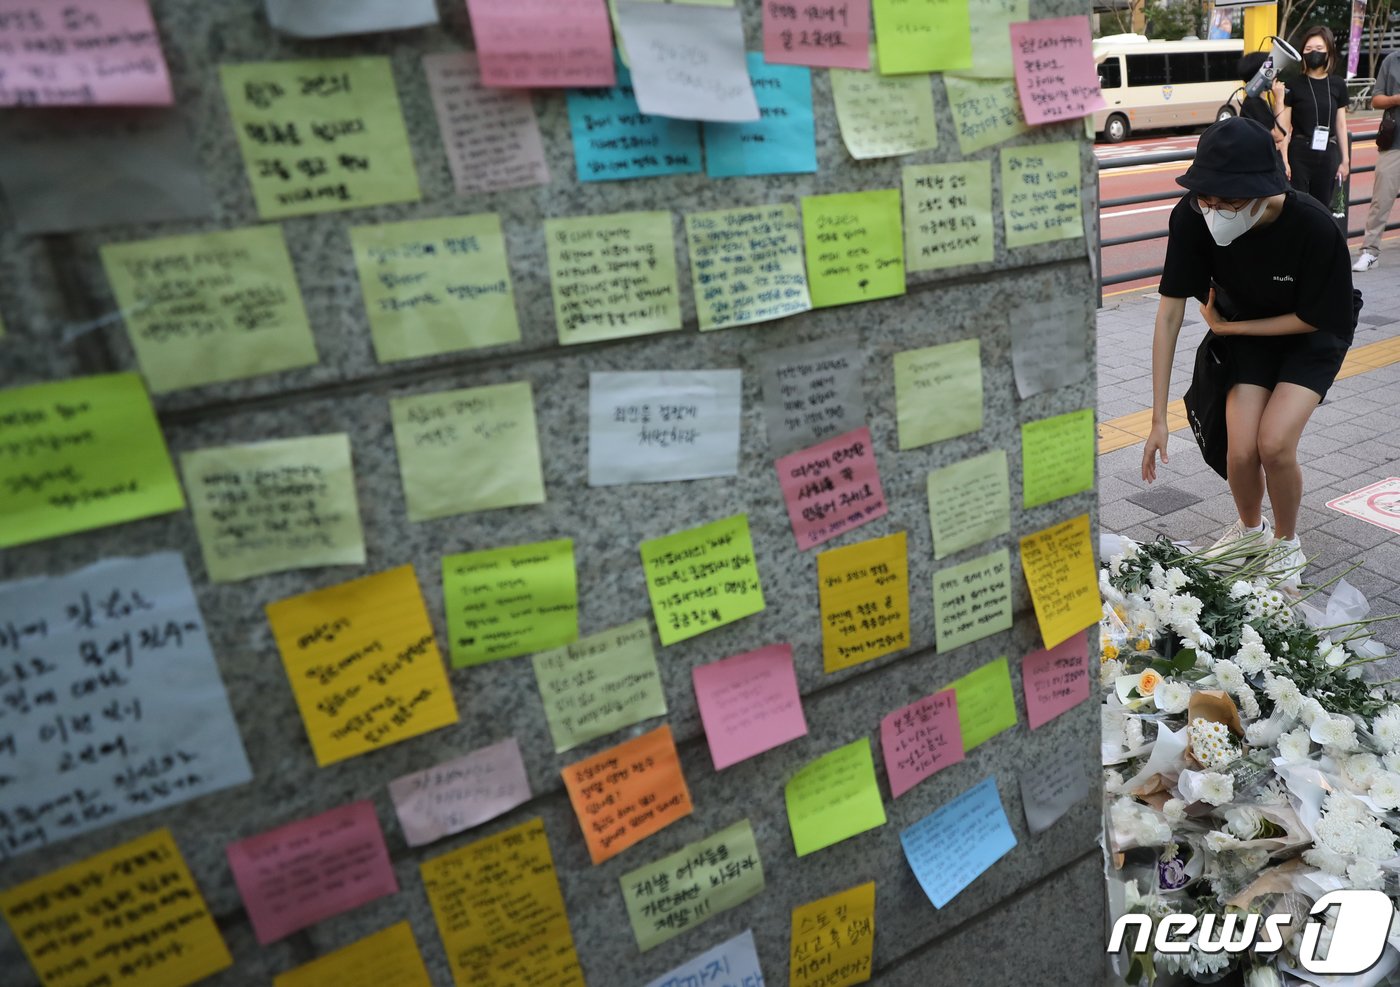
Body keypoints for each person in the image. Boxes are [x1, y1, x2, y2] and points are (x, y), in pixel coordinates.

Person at [1142, 117, 1355, 585]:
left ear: (1262, 190)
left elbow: (1316, 318)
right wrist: (1158, 418)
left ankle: (1285, 542)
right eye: (1206, 198)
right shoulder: (1193, 216)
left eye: (1229, 202)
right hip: (1243, 326)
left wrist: (1231, 330)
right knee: (1240, 452)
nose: (1214, 210)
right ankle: (1250, 531)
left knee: (1274, 443)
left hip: (1311, 332)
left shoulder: (1314, 227)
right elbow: (1170, 314)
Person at [1279, 26, 1351, 208]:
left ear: (1329, 51)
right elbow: (1285, 127)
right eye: (1308, 49)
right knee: (1298, 206)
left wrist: (1345, 160)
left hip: (1328, 153)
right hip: (1299, 153)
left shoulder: (1337, 84)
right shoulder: (1293, 84)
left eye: (1319, 49)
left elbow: (1341, 124)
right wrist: (1285, 160)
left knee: (1322, 207)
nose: (1313, 53)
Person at [1353, 48, 1400, 272]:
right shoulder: (1392, 60)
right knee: (1381, 200)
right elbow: (1376, 100)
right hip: (1394, 144)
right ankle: (1370, 251)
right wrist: (1396, 99)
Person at [1235, 51, 1288, 162]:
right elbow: (1278, 135)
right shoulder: (1254, 103)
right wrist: (1279, 100)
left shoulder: (1260, 101)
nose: (1275, 75)